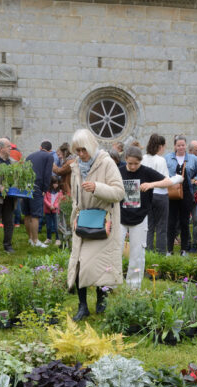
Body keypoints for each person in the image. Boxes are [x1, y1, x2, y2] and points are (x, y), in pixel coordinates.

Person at [67, 128, 124, 321]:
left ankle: (101, 301)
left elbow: (119, 192)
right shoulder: (76, 166)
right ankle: (82, 307)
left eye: (83, 150)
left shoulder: (106, 163)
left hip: (103, 222)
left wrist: (97, 188)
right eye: (77, 151)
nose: (81, 155)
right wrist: (74, 215)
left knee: (101, 265)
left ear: (91, 146)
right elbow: (76, 196)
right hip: (83, 221)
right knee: (79, 263)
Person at [119, 146, 175, 289]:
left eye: (135, 164)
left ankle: (133, 286)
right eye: (129, 163)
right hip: (120, 217)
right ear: (125, 160)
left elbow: (168, 181)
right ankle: (112, 284)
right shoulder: (118, 171)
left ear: (140, 161)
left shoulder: (146, 171)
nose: (132, 167)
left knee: (137, 254)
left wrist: (151, 185)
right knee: (115, 251)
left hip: (140, 217)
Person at [165, 135, 197, 255]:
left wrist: (196, 178)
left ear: (186, 145)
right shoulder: (167, 158)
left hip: (187, 193)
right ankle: (169, 250)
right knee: (171, 221)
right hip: (172, 192)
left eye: (183, 145)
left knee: (185, 221)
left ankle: (184, 249)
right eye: (178, 145)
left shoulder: (192, 158)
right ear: (174, 146)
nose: (181, 147)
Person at [142, 134, 171, 254]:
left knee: (148, 227)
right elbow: (165, 181)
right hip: (160, 195)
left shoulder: (143, 158)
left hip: (147, 195)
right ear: (160, 147)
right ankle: (160, 254)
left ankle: (148, 252)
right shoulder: (161, 160)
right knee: (161, 227)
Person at [26, 141, 54, 247]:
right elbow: (47, 174)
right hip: (37, 187)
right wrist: (45, 189)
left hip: (26, 187)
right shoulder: (49, 156)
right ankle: (35, 241)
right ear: (50, 150)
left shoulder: (29, 156)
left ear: (40, 147)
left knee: (27, 214)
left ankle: (30, 239)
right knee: (35, 215)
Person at [43, 179, 62, 246]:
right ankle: (48, 238)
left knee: (57, 225)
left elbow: (59, 201)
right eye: (54, 183)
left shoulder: (60, 192)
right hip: (48, 211)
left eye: (57, 183)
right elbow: (45, 199)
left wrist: (54, 206)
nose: (55, 185)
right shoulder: (47, 191)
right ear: (51, 184)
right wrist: (49, 205)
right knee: (48, 226)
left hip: (56, 211)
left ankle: (58, 239)